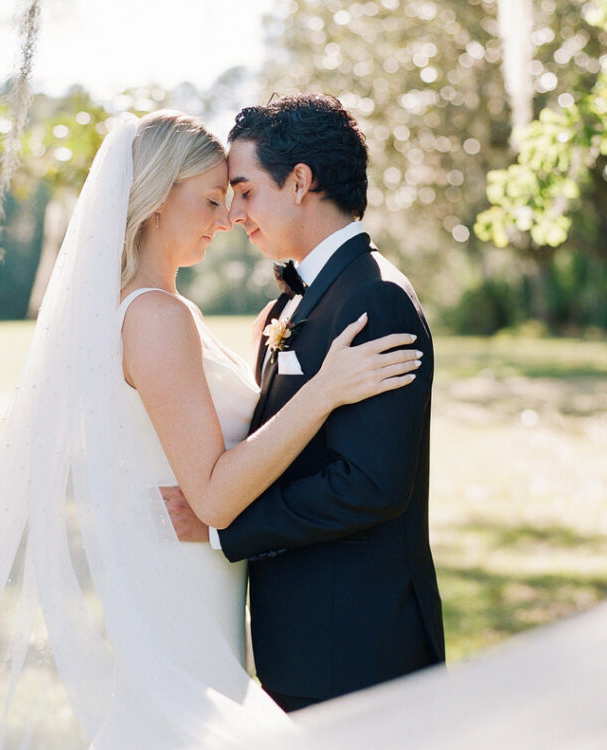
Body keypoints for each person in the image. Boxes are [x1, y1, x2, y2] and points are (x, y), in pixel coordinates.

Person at [0, 110, 422, 749]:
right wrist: (319, 393)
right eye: (211, 200)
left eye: (234, 196)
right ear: (153, 203)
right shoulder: (156, 317)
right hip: (181, 587)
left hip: (210, 585)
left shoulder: (174, 311)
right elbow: (211, 495)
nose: (228, 218)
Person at [168, 94, 446, 713]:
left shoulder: (376, 300)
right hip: (304, 644)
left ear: (300, 182)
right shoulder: (298, 300)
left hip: (358, 647)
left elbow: (371, 485)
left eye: (245, 190)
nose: (235, 213)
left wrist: (224, 527)